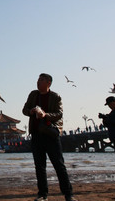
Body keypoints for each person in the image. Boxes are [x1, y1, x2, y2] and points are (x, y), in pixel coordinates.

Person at [22, 73, 77, 201]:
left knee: (59, 165)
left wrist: (45, 115)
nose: (38, 82)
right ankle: (42, 194)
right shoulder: (33, 94)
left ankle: (68, 194)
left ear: (48, 83)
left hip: (50, 134)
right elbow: (24, 109)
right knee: (39, 166)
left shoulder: (55, 97)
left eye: (41, 80)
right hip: (36, 134)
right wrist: (30, 112)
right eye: (38, 80)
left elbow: (59, 114)